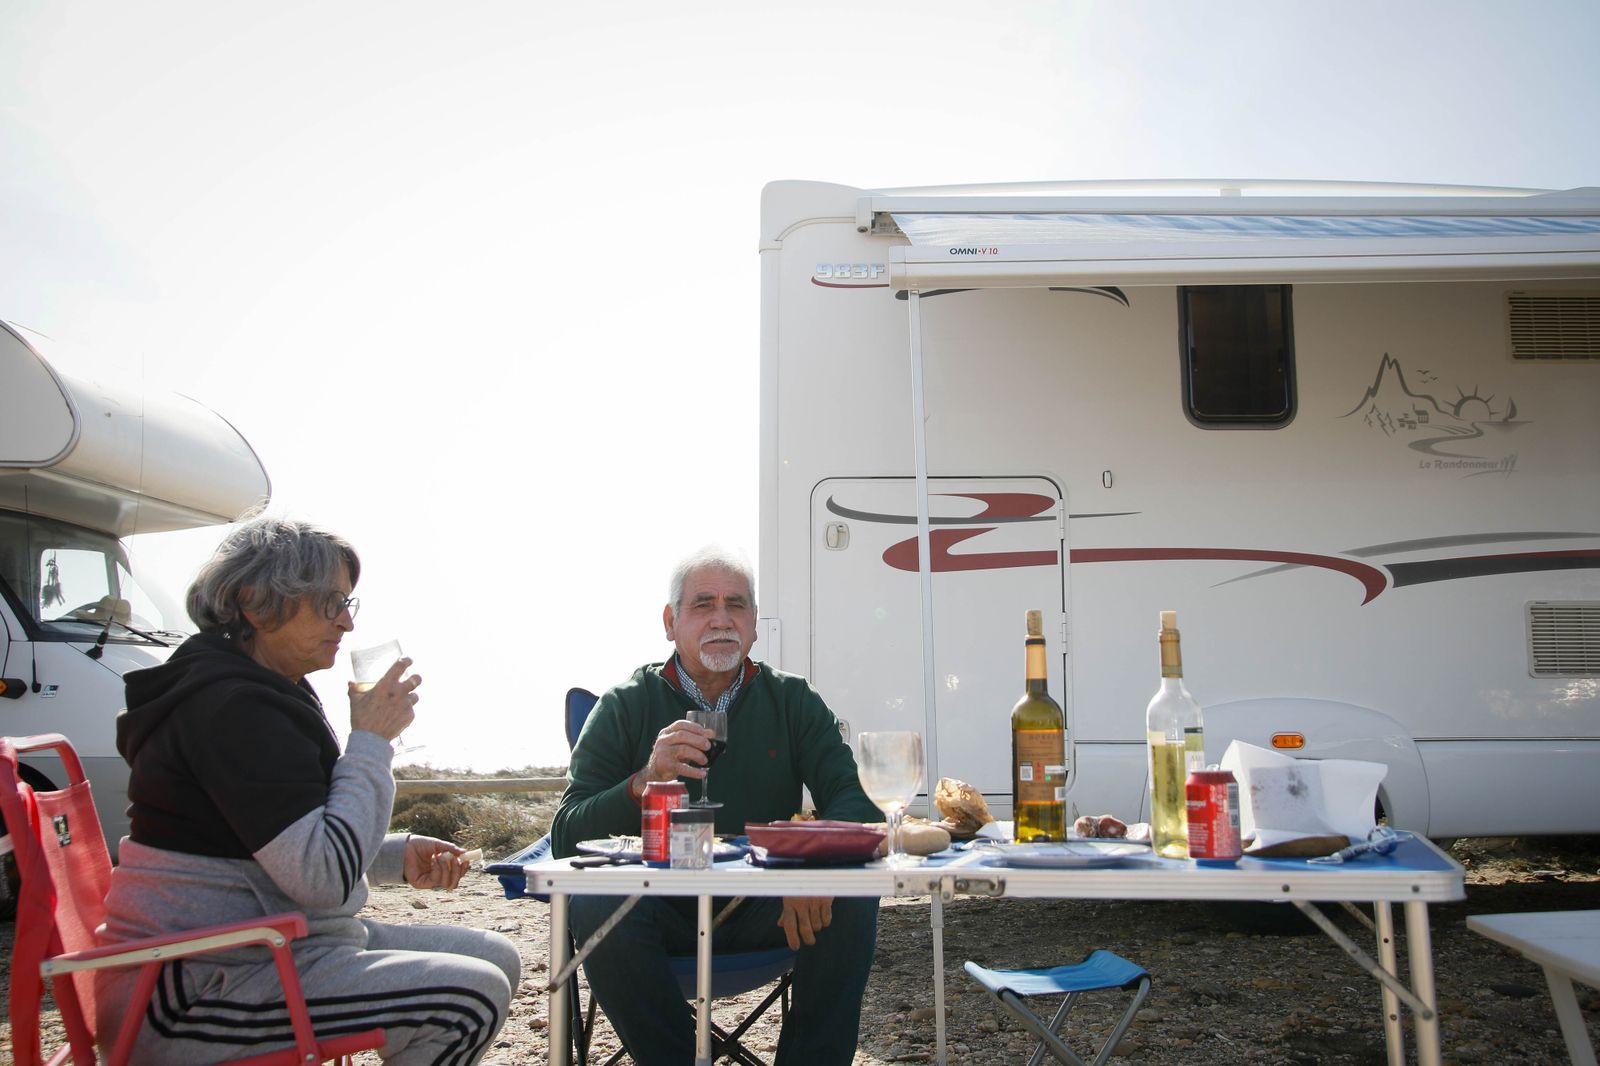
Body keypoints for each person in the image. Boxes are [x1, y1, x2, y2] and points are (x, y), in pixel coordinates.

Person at [96, 515, 520, 1065]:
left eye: (348, 603)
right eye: (328, 603)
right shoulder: (231, 708)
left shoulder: (258, 689)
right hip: (195, 988)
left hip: (271, 945)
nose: (345, 622)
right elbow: (320, 877)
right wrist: (371, 740)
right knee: (467, 998)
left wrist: (393, 856)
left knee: (496, 956)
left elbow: (279, 847)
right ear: (253, 600)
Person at [551, 546, 880, 1066]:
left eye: (737, 605)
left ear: (753, 624)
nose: (722, 619)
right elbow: (566, 834)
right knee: (595, 900)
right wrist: (641, 783)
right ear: (670, 621)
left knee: (851, 892)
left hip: (764, 906)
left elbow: (855, 798)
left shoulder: (792, 700)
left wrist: (815, 866)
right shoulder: (624, 705)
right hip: (655, 907)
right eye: (703, 604)